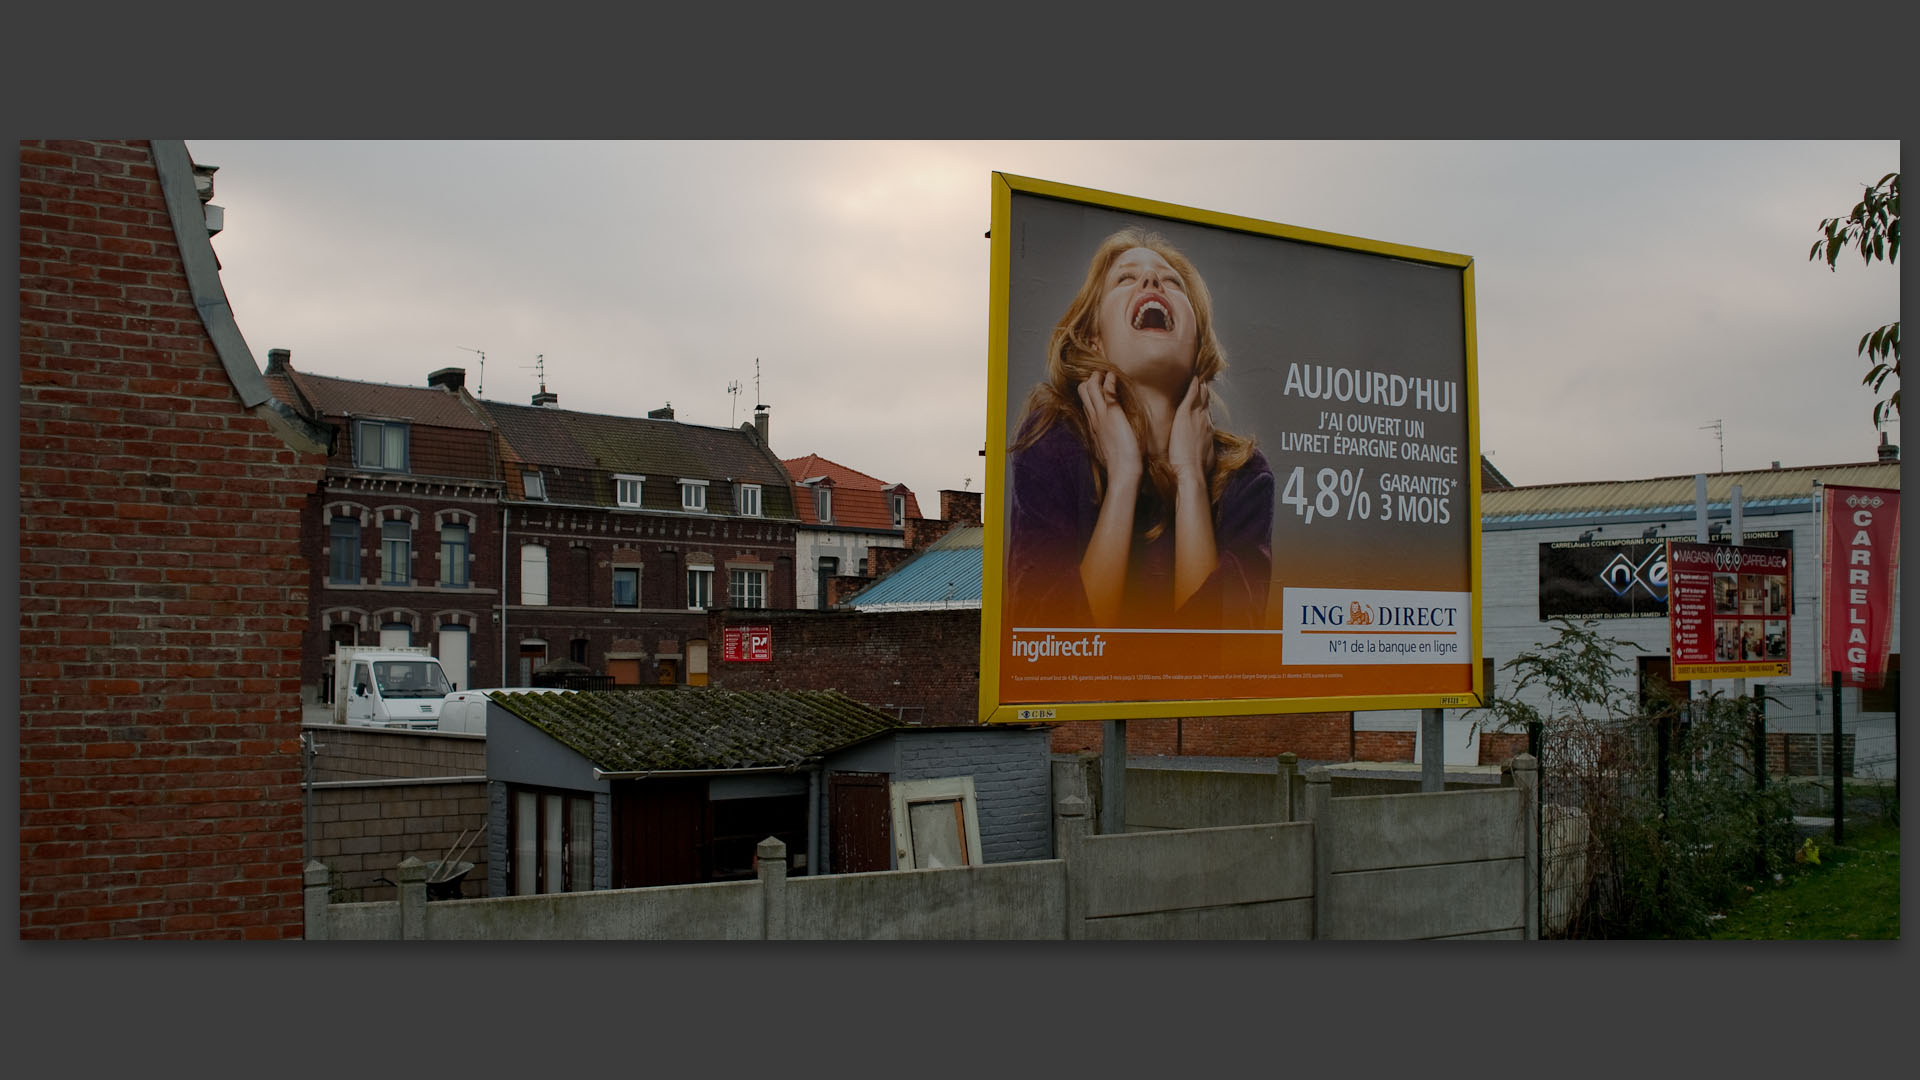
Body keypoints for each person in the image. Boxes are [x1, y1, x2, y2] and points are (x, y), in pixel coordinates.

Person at [1007, 227, 1274, 629]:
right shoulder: (1053, 445)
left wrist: (1190, 480)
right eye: (1126, 278)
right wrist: (1124, 477)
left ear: (1197, 342)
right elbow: (1053, 645)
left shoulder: (1245, 476)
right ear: (1094, 339)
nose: (1152, 282)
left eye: (1172, 282)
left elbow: (1217, 657)